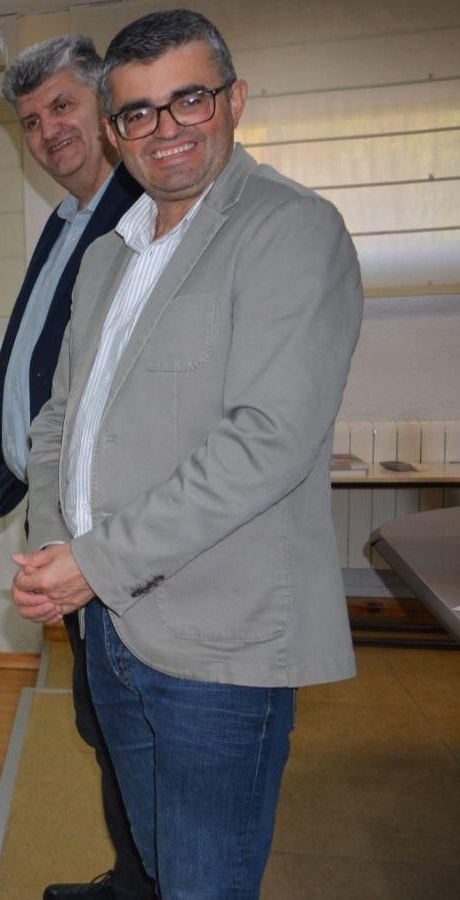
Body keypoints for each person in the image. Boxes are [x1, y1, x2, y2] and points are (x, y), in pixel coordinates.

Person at [19, 10, 363, 897]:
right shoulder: (109, 257)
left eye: (189, 100)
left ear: (234, 100)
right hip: (109, 627)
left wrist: (90, 563)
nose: (164, 130)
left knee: (205, 882)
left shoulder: (291, 229)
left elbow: (267, 443)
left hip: (220, 643)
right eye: (138, 112)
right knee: (160, 870)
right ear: (113, 129)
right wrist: (59, 552)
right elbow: (63, 418)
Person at [0, 35, 149, 900]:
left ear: (107, 108)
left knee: (132, 722)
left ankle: (150, 882)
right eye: (31, 121)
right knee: (104, 718)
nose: (47, 131)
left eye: (63, 108)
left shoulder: (139, 211)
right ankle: (135, 877)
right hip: (64, 516)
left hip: (112, 527)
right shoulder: (74, 216)